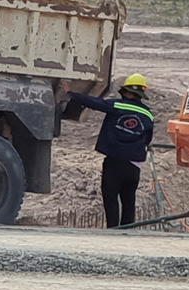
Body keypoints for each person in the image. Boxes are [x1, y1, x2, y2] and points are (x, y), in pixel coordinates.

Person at [65, 73, 155, 227]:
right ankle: (127, 231)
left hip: (115, 162)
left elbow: (93, 102)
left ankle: (113, 231)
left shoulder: (117, 106)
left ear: (126, 91)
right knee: (128, 200)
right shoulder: (148, 115)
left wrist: (70, 92)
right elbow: (148, 139)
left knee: (110, 196)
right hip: (134, 166)